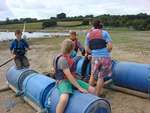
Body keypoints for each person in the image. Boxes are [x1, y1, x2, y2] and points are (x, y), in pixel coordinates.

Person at [53, 39, 95, 113]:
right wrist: (80, 88)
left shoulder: (70, 55)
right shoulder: (62, 60)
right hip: (63, 81)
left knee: (92, 90)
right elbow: (68, 76)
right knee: (64, 99)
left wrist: (87, 55)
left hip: (73, 80)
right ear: (71, 49)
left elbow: (80, 54)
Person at [85, 20, 113, 96]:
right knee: (101, 77)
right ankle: (97, 95)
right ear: (100, 25)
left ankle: (89, 94)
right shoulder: (105, 33)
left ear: (93, 26)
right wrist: (105, 52)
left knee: (92, 76)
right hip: (105, 57)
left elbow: (87, 49)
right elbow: (110, 47)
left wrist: (94, 53)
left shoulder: (88, 35)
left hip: (95, 58)